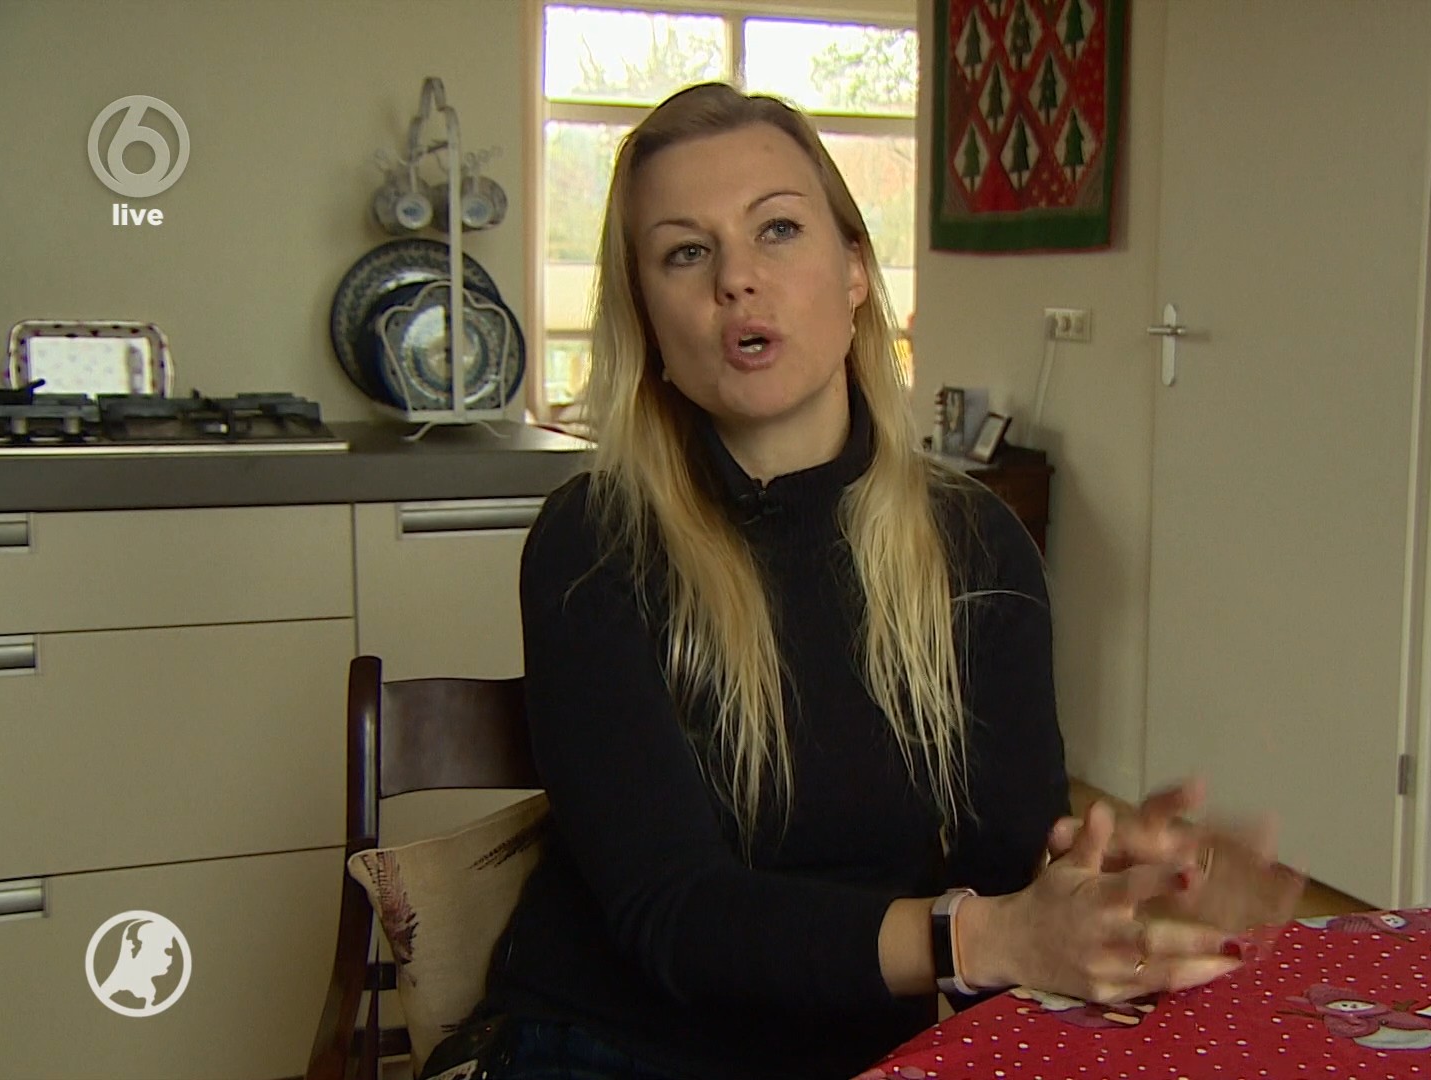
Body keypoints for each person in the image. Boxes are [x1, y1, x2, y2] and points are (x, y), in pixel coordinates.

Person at [424, 82, 1290, 1080]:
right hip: (607, 1046)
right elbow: (674, 914)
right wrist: (983, 937)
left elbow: (1001, 887)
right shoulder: (593, 540)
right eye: (685, 253)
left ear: (855, 274)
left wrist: (1102, 888)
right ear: (649, 321)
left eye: (778, 230)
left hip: (876, 1052)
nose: (737, 280)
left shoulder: (980, 545)